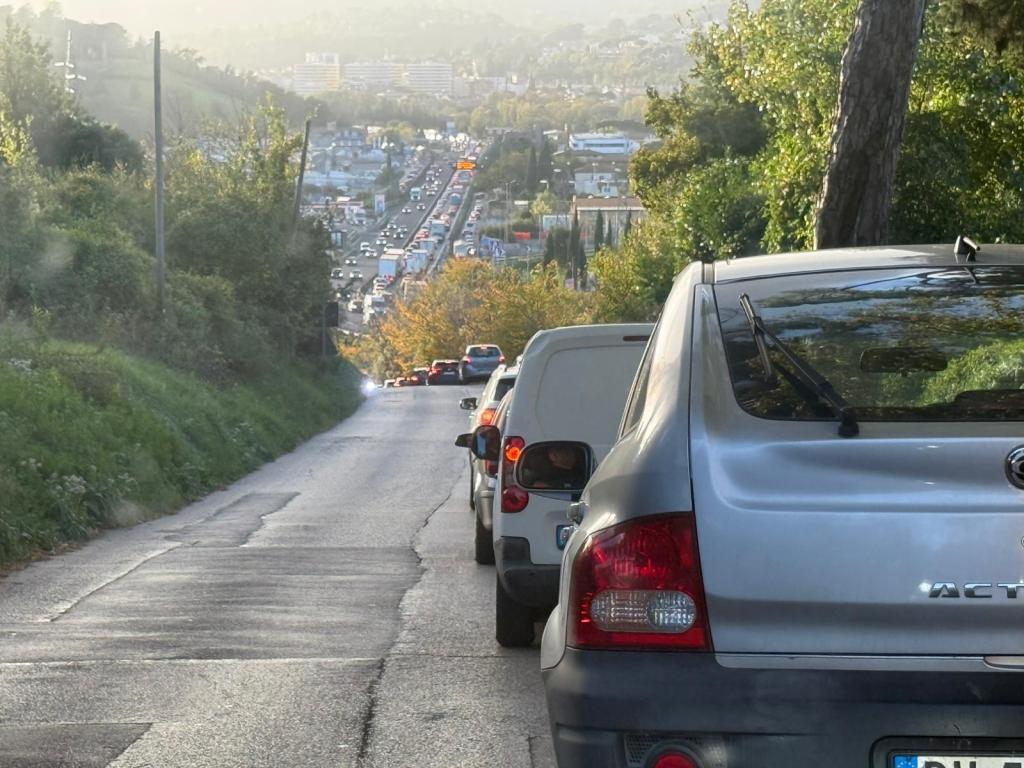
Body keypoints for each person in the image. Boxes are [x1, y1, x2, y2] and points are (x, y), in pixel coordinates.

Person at [522, 445, 587, 490]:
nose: (570, 451)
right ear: (553, 456)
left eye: (570, 449)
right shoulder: (546, 480)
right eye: (562, 449)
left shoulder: (583, 469)